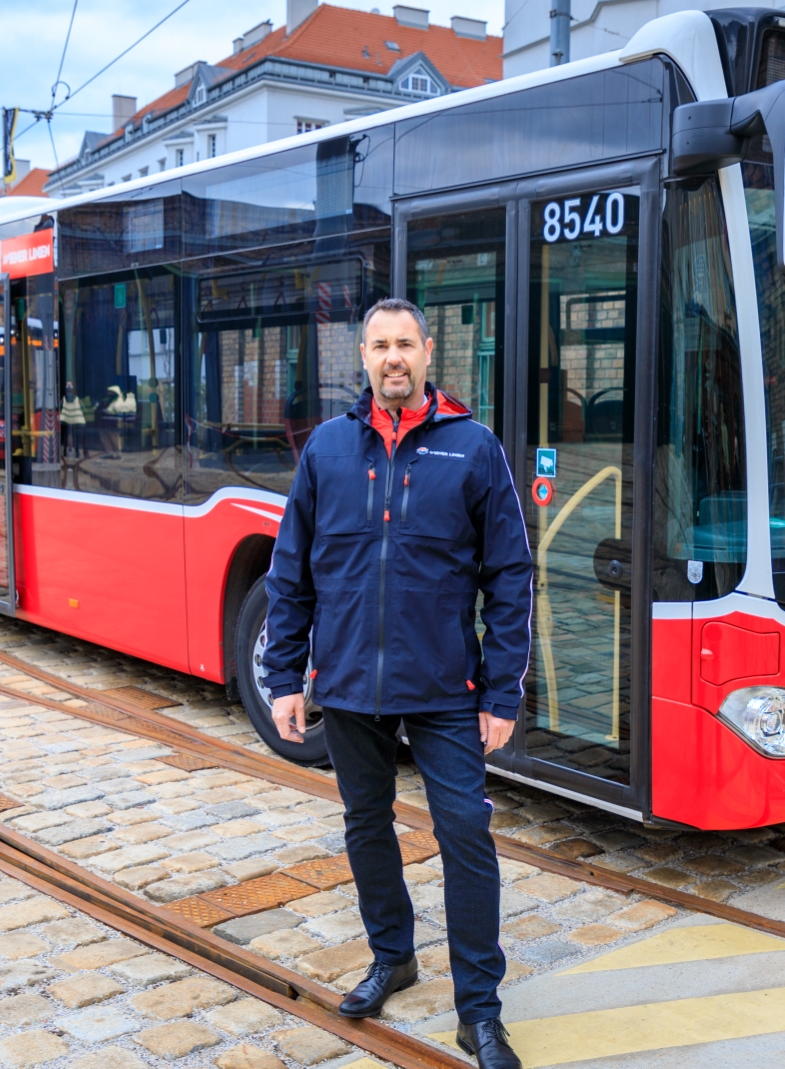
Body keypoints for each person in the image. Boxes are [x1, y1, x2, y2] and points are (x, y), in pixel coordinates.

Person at [264, 297, 531, 1069]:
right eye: (379, 345)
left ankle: (479, 1010)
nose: (393, 358)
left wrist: (502, 690)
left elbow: (511, 575)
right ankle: (394, 956)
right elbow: (292, 572)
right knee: (366, 826)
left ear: (427, 352)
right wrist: (286, 674)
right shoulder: (327, 451)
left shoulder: (473, 448)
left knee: (466, 836)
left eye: (404, 345)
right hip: (347, 684)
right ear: (363, 356)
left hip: (446, 686)